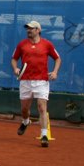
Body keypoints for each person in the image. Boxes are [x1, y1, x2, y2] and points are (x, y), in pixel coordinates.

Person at [11, 20, 61, 148]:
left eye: (31, 28)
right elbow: (14, 59)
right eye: (27, 28)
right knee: (24, 109)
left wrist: (55, 72)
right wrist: (15, 68)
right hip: (25, 81)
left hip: (42, 81)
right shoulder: (22, 45)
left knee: (42, 107)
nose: (28, 30)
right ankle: (26, 121)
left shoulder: (47, 44)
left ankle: (44, 135)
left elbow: (57, 58)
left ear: (38, 30)